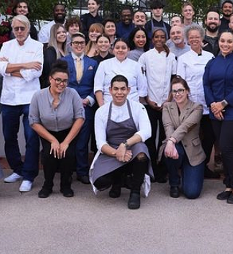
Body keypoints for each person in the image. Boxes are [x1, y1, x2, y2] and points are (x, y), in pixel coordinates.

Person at [0, 14, 44, 192]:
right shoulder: (6, 46)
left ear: (28, 28)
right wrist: (25, 65)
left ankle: (29, 175)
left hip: (30, 98)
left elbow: (35, 73)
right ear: (13, 30)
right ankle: (17, 169)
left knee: (31, 137)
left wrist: (11, 68)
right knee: (9, 136)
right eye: (16, 28)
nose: (19, 31)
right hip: (9, 99)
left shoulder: (38, 46)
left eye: (22, 28)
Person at [89, 74, 153, 210]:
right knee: (100, 182)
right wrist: (117, 153)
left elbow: (146, 131)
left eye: (123, 89)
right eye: (116, 89)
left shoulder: (138, 108)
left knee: (141, 154)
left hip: (133, 146)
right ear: (110, 90)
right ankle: (119, 180)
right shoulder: (101, 112)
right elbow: (100, 143)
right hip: (111, 149)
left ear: (128, 90)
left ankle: (135, 192)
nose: (119, 93)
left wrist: (125, 145)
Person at [203, 30, 233, 204]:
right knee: (223, 149)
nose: (225, 44)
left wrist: (223, 104)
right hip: (215, 111)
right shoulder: (212, 63)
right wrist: (213, 105)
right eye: (222, 41)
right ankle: (229, 186)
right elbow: (206, 84)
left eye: (229, 41)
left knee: (227, 146)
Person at [29, 60, 85, 198]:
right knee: (48, 156)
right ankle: (47, 184)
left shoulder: (72, 94)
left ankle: (66, 185)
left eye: (65, 81)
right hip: (47, 132)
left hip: (68, 131)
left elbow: (80, 118)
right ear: (50, 79)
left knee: (68, 155)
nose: (61, 84)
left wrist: (65, 142)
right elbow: (33, 121)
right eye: (58, 80)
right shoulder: (38, 96)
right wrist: (53, 140)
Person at [176, 24, 217, 179]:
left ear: (202, 39)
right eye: (191, 37)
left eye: (197, 37)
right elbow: (180, 82)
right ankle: (189, 166)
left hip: (208, 102)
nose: (194, 39)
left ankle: (204, 165)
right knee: (191, 136)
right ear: (187, 40)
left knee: (209, 136)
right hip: (191, 104)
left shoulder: (210, 57)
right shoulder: (183, 59)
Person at [138, 28, 177, 182]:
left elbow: (174, 79)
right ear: (152, 39)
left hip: (167, 103)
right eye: (156, 37)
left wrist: (169, 98)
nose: (159, 39)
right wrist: (147, 99)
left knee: (164, 137)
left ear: (165, 39)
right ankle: (150, 169)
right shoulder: (145, 56)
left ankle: (162, 170)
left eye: (162, 37)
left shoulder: (171, 56)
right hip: (150, 103)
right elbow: (142, 79)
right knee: (150, 136)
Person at [62, 32, 98, 185]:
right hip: (67, 106)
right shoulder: (63, 61)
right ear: (70, 45)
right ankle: (67, 172)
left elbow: (97, 86)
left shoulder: (93, 63)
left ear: (85, 44)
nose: (78, 45)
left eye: (81, 43)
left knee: (83, 141)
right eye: (76, 43)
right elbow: (59, 84)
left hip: (86, 106)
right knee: (68, 139)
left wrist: (89, 99)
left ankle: (82, 172)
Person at [162, 76, 206, 199]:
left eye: (180, 90)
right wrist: (171, 143)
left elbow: (186, 126)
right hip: (175, 148)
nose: (177, 94)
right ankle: (174, 182)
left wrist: (171, 140)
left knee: (192, 193)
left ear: (187, 91)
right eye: (174, 91)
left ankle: (188, 174)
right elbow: (168, 126)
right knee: (171, 152)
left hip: (193, 150)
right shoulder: (167, 107)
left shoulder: (197, 107)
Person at [93, 38, 146, 107]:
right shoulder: (103, 64)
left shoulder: (137, 66)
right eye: (117, 48)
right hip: (108, 105)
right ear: (113, 50)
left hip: (132, 105)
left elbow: (142, 89)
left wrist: (137, 107)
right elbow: (98, 87)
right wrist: (102, 107)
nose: (120, 50)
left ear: (128, 50)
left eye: (123, 48)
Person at [40, 24, 68, 89]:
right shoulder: (50, 51)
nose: (62, 34)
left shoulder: (65, 51)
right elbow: (51, 71)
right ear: (53, 35)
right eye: (58, 33)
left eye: (64, 32)